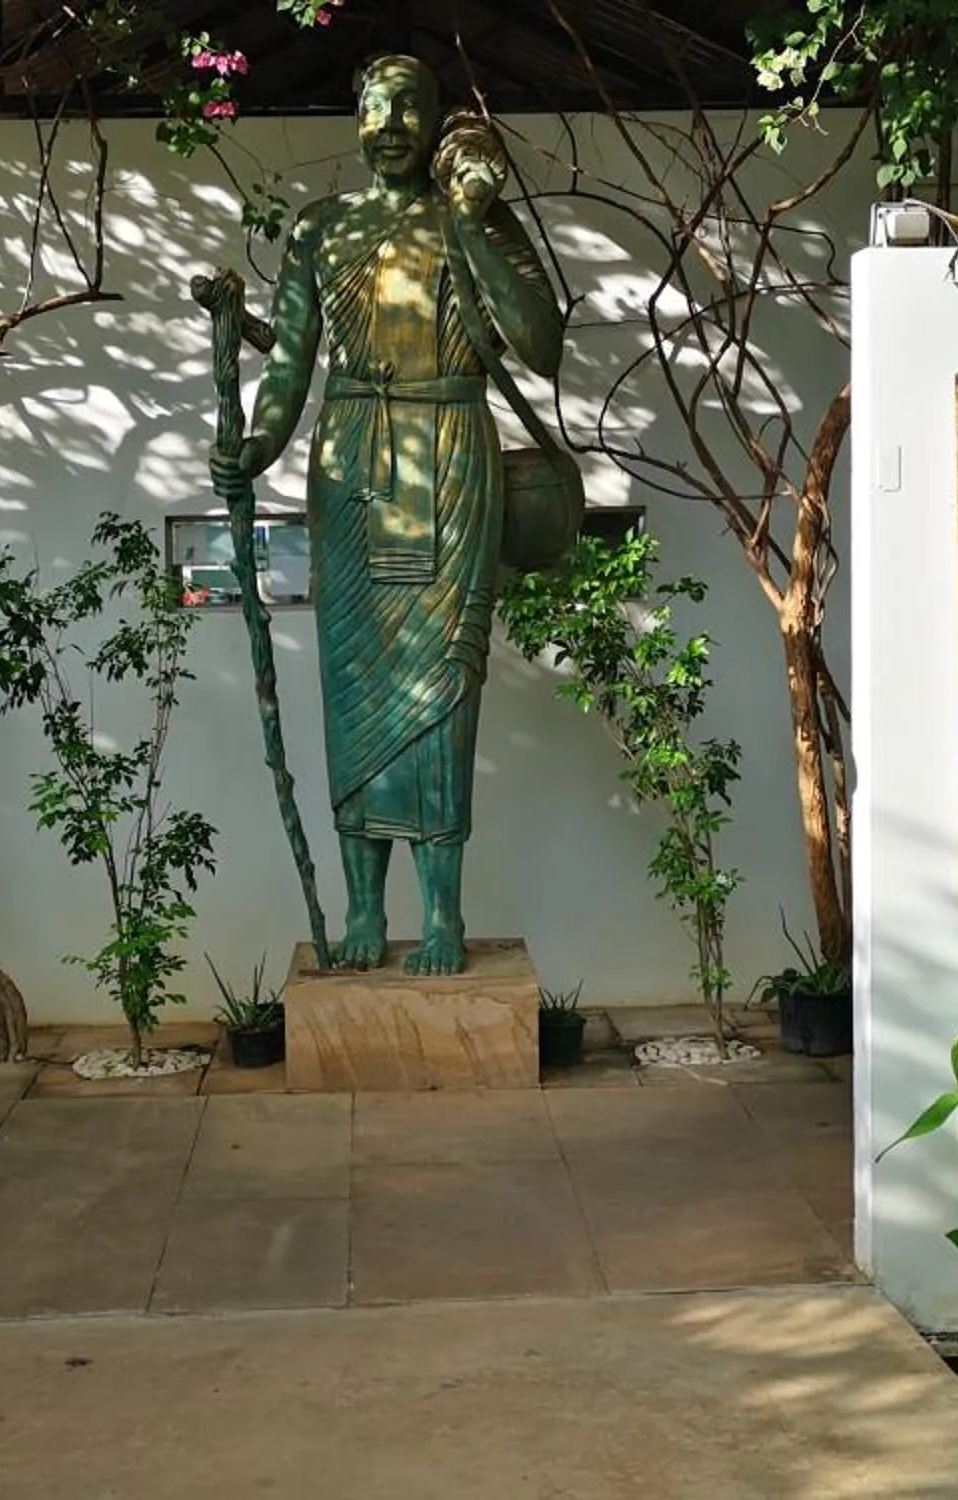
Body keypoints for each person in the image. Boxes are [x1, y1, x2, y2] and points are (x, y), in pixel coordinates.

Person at [208, 54, 564, 976]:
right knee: (355, 686)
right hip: (352, 463)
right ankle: (366, 906)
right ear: (357, 122)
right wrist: (256, 447)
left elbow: (541, 344)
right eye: (379, 105)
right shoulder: (323, 230)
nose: (396, 121)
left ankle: (442, 915)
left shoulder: (474, 217)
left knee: (446, 690)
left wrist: (476, 223)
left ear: (439, 123)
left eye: (414, 105)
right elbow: (291, 366)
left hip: (452, 457)